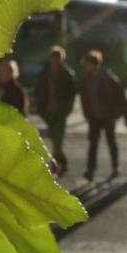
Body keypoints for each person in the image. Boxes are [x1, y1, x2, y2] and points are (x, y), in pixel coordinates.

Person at [79, 48, 126, 182]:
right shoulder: (87, 79)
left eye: (87, 64)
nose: (86, 66)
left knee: (111, 141)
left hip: (108, 116)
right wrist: (86, 112)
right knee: (93, 143)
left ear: (94, 64)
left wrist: (116, 113)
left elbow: (120, 95)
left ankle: (115, 166)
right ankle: (90, 170)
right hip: (94, 116)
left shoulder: (108, 78)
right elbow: (84, 97)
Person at [32, 44, 78, 175]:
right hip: (47, 110)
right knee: (54, 137)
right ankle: (62, 161)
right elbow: (39, 89)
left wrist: (66, 108)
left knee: (58, 138)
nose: (55, 61)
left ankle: (56, 164)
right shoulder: (45, 73)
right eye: (53, 58)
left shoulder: (67, 74)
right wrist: (38, 105)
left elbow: (71, 94)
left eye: (58, 58)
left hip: (60, 110)